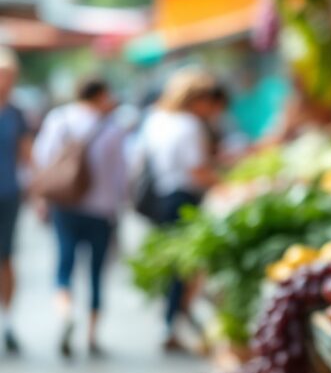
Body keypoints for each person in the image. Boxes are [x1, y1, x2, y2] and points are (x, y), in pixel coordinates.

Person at [32, 77, 128, 356]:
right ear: (100, 95)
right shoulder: (112, 129)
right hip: (102, 209)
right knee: (97, 272)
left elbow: (43, 158)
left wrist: (42, 198)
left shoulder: (59, 120)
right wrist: (120, 204)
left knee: (65, 264)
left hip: (65, 205)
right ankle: (92, 335)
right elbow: (121, 174)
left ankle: (65, 314)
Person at [138, 68, 222, 352]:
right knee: (183, 266)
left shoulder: (157, 119)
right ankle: (172, 320)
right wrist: (223, 182)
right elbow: (196, 170)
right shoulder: (189, 125)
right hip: (183, 198)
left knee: (175, 262)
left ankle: (173, 319)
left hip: (161, 196)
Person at [0, 48, 31, 353]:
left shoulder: (16, 113)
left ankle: (7, 320)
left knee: (6, 257)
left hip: (8, 194)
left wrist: (38, 192)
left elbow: (27, 155)